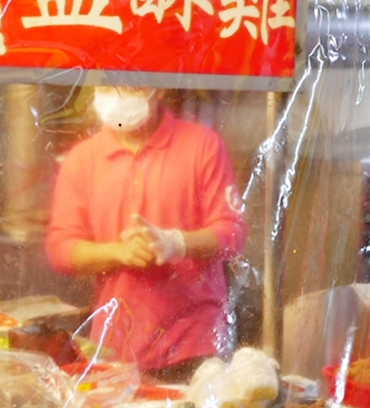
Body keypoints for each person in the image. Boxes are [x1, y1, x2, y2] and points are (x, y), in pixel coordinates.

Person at [46, 86, 245, 382]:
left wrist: (175, 243)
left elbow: (232, 232)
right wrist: (117, 253)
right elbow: (60, 248)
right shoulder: (83, 159)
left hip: (196, 346)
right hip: (115, 350)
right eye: (108, 84)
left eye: (131, 84)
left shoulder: (202, 145)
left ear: (159, 88)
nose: (118, 93)